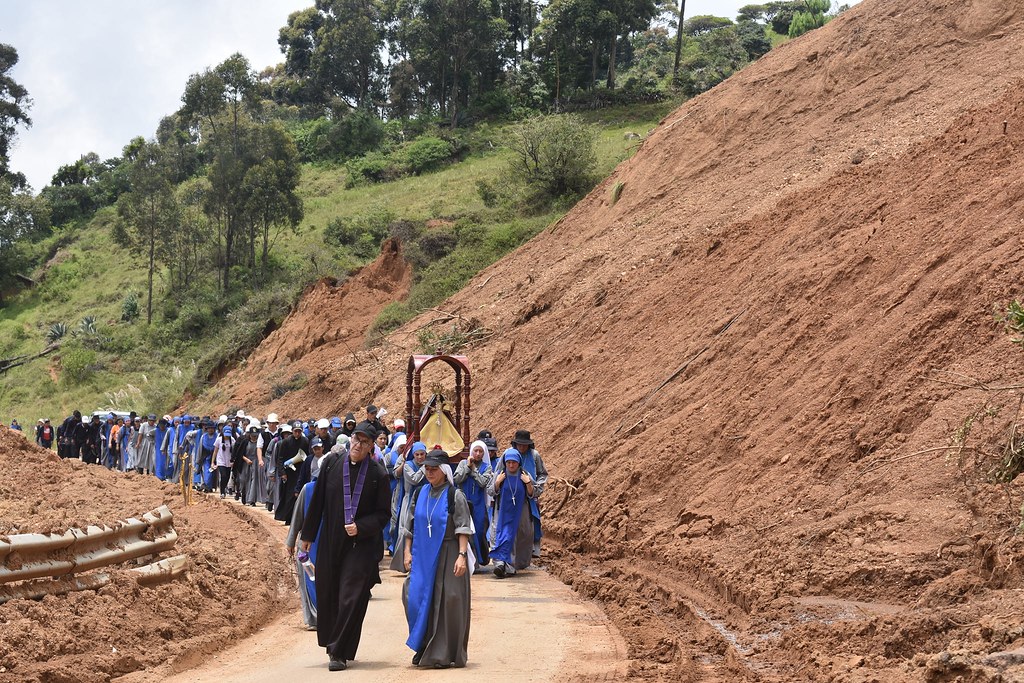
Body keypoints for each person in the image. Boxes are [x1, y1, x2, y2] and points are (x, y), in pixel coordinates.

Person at [300, 421, 390, 672]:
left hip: (360, 546)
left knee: (351, 597)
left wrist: (361, 526)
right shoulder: (332, 464)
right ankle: (333, 644)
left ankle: (339, 652)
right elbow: (317, 501)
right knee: (329, 593)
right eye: (355, 440)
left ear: (371, 447)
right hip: (331, 540)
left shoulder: (378, 475)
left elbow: (384, 514)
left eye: (363, 442)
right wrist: (307, 535)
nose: (357, 446)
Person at [402, 448, 472, 669]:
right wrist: (407, 551)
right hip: (423, 554)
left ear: (443, 470)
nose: (429, 472)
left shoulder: (455, 495)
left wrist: (461, 556)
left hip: (449, 551)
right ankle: (422, 644)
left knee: (446, 600)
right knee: (412, 595)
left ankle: (441, 653)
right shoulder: (419, 493)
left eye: (434, 469)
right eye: (427, 468)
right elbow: (410, 525)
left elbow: (463, 527)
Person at [287, 436, 327, 631]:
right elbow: (297, 517)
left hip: (327, 545)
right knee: (309, 579)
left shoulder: (334, 490)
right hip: (307, 546)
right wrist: (290, 542)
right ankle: (313, 618)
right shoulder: (307, 489)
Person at [487, 448, 535, 578]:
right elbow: (491, 492)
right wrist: (497, 483)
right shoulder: (499, 474)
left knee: (513, 538)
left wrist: (528, 483)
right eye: (508, 462)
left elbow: (533, 494)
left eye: (514, 462)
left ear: (519, 462)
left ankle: (509, 566)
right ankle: (499, 564)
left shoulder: (525, 475)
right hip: (501, 512)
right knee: (499, 535)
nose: (511, 465)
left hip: (519, 514)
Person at [453, 440, 493, 568]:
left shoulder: (487, 467)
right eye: (475, 451)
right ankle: (468, 562)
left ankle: (479, 559)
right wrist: (467, 468)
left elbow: (482, 482)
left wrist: (474, 470)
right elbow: (457, 479)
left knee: (479, 531)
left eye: (480, 451)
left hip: (478, 505)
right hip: (463, 502)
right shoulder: (463, 463)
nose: (477, 454)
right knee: (465, 531)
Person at [389, 442, 427, 572]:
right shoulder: (408, 466)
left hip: (424, 500)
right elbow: (414, 479)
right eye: (417, 454)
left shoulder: (429, 466)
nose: (420, 457)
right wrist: (425, 468)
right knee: (406, 530)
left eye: (422, 454)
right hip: (409, 500)